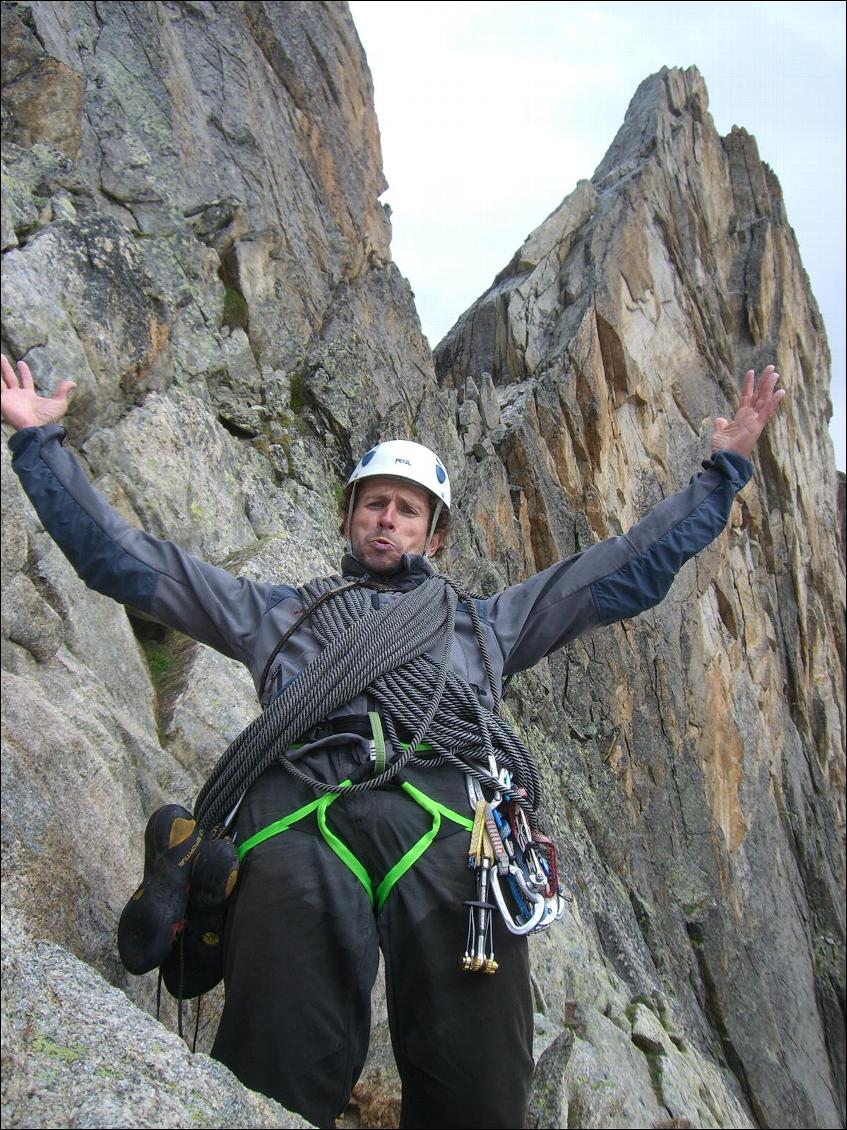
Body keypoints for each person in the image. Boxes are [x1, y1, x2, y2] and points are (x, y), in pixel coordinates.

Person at [1, 353, 784, 1129]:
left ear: (434, 537)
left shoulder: (485, 626)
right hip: (303, 815)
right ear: (348, 519)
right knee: (275, 1069)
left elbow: (618, 570)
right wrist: (40, 447)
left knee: (479, 1085)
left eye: (408, 511)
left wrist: (719, 475)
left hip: (451, 829)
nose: (387, 519)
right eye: (374, 504)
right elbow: (128, 563)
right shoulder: (276, 614)